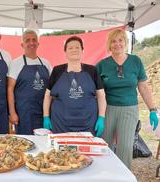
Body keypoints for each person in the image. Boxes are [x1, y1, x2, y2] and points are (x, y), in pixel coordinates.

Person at [96, 29, 159, 169]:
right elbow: (96, 91)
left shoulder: (135, 61)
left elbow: (143, 86)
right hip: (107, 109)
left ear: (125, 42)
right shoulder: (101, 65)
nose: (117, 44)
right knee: (103, 145)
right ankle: (103, 176)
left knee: (125, 146)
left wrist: (152, 110)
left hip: (129, 109)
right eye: (113, 41)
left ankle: (123, 180)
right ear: (109, 44)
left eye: (120, 40)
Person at [43, 36, 106, 136]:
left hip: (88, 124)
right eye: (70, 48)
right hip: (61, 124)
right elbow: (47, 95)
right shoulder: (57, 70)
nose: (74, 50)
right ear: (65, 51)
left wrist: (101, 118)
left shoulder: (92, 70)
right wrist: (46, 117)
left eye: (77, 47)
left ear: (82, 50)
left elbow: (101, 95)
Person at [7, 30, 52, 134]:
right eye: (27, 40)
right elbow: (10, 89)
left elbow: (52, 88)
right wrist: (12, 113)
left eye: (34, 40)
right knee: (26, 143)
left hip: (44, 112)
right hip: (24, 113)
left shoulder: (46, 63)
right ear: (22, 44)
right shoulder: (15, 63)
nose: (31, 43)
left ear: (38, 43)